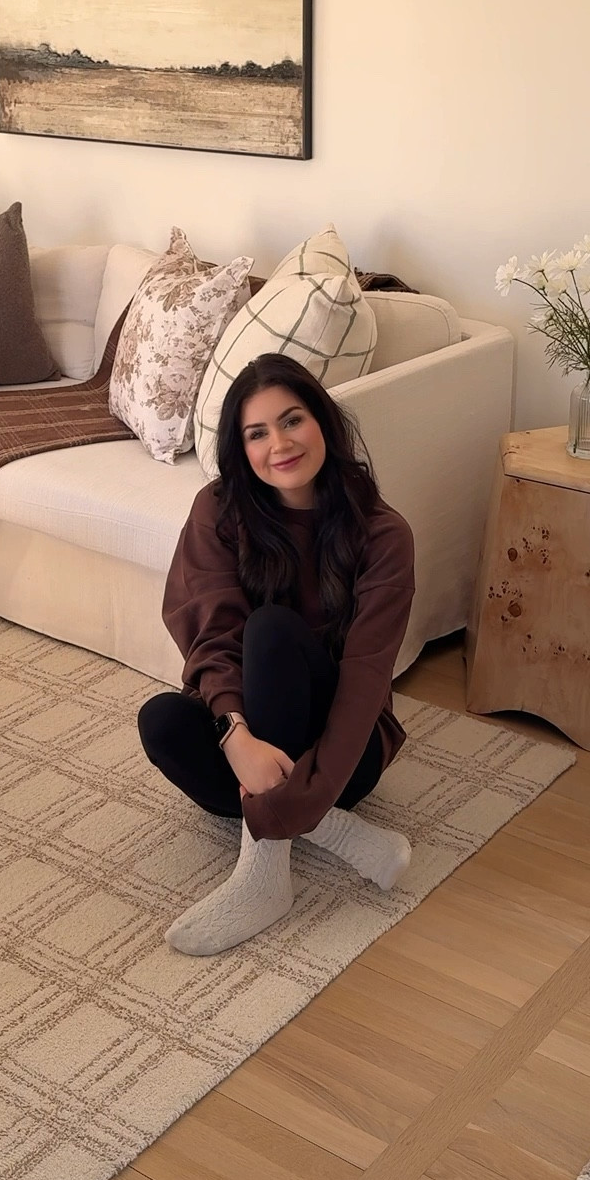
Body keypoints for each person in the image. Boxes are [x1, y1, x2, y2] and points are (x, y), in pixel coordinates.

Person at [138, 352, 416, 956]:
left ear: (322, 422)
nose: (279, 445)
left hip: (348, 751)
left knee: (270, 631)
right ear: (241, 448)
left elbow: (366, 682)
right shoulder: (219, 509)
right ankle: (335, 834)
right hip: (252, 746)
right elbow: (211, 635)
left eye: (292, 421)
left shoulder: (383, 534)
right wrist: (236, 738)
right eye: (256, 433)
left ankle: (265, 871)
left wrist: (298, 795)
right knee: (160, 723)